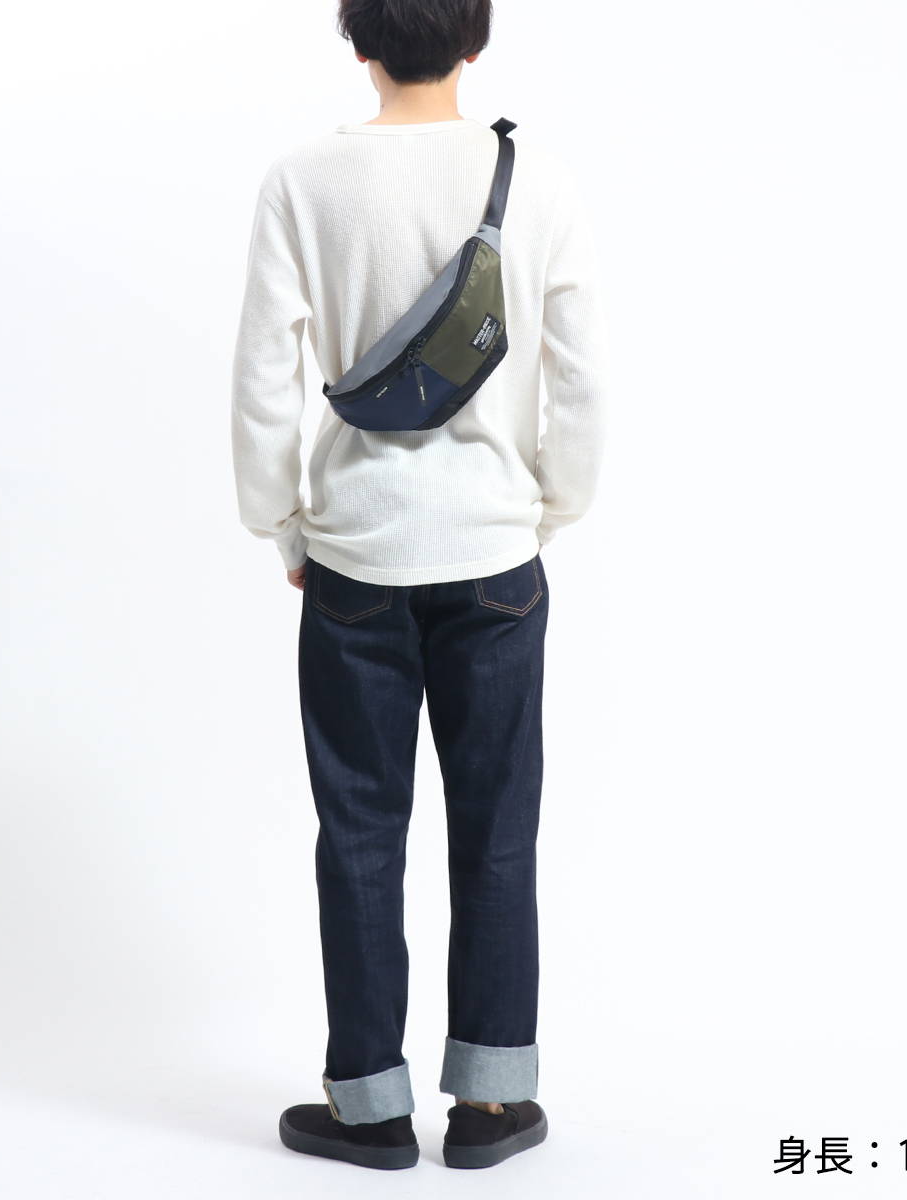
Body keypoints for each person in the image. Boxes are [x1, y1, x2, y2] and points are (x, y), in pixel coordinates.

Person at [230, 0, 608, 1172]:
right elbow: (580, 376)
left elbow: (263, 377)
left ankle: (368, 1107)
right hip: (496, 559)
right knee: (496, 833)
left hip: (353, 558)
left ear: (357, 42)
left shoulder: (303, 182)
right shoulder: (538, 184)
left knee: (359, 833)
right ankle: (491, 1107)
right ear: (475, 42)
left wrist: (283, 522)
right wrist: (548, 507)